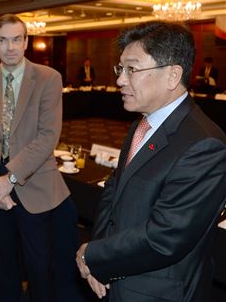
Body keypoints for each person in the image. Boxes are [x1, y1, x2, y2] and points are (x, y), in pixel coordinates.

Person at [76, 21, 226, 301]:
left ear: (172, 76)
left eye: (131, 69)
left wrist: (94, 255)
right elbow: (113, 192)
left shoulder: (204, 144)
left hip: (156, 291)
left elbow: (165, 236)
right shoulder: (142, 124)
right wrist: (101, 257)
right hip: (117, 276)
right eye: (120, 69)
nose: (120, 79)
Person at [0, 14, 83, 301]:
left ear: (26, 42)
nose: (10, 47)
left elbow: (47, 136)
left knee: (39, 267)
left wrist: (11, 179)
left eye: (17, 39)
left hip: (33, 184)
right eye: (3, 40)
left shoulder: (48, 78)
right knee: (3, 266)